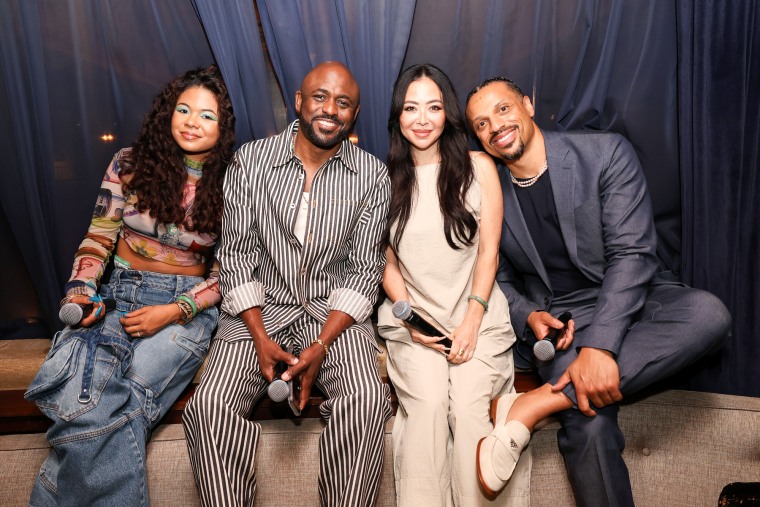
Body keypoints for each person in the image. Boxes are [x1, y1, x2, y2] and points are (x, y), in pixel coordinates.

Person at [464, 76, 731, 505]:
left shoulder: (604, 153)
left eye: (502, 109)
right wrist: (529, 315)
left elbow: (633, 255)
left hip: (634, 300)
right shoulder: (487, 190)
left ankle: (535, 404)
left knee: (710, 314)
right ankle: (560, 396)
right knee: (590, 422)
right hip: (560, 323)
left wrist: (601, 348)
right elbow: (496, 276)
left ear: (527, 105)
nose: (495, 126)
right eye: (481, 123)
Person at [182, 61, 392, 506]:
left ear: (354, 115)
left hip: (334, 315)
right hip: (259, 309)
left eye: (343, 103)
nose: (330, 109)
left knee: (368, 400)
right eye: (320, 97)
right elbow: (236, 255)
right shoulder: (251, 161)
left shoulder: (372, 175)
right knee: (209, 406)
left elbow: (364, 270)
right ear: (299, 101)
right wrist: (258, 336)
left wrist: (320, 344)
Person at [25, 65, 235, 506]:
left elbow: (230, 272)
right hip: (118, 294)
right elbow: (100, 234)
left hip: (184, 309)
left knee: (113, 406)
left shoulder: (237, 180)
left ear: (223, 126)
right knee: (96, 403)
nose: (192, 121)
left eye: (207, 115)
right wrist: (81, 289)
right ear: (167, 113)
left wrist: (176, 310)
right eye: (183, 109)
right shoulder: (129, 162)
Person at [376, 64, 531, 506]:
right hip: (413, 322)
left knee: (465, 408)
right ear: (398, 116)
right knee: (425, 408)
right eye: (411, 107)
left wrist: (471, 321)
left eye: (434, 106)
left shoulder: (479, 166)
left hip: (475, 315)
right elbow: (385, 261)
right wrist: (411, 319)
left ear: (447, 114)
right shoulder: (382, 180)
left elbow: (489, 251)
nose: (422, 118)